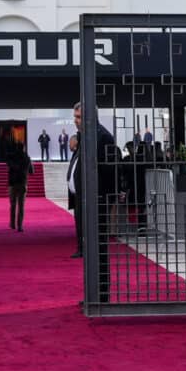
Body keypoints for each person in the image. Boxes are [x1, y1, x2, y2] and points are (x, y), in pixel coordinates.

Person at [67, 104, 121, 298]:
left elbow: (109, 172)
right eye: (75, 117)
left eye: (79, 117)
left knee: (98, 250)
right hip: (84, 200)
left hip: (97, 201)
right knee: (89, 250)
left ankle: (101, 296)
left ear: (90, 116)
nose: (75, 121)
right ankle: (92, 294)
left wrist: (101, 198)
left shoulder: (103, 137)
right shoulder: (86, 136)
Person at [4, 137, 32, 231]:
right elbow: (32, 171)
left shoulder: (12, 157)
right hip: (22, 183)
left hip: (12, 183)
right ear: (24, 148)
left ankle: (12, 224)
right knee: (21, 205)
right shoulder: (27, 158)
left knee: (12, 204)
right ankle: (20, 226)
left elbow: (8, 163)